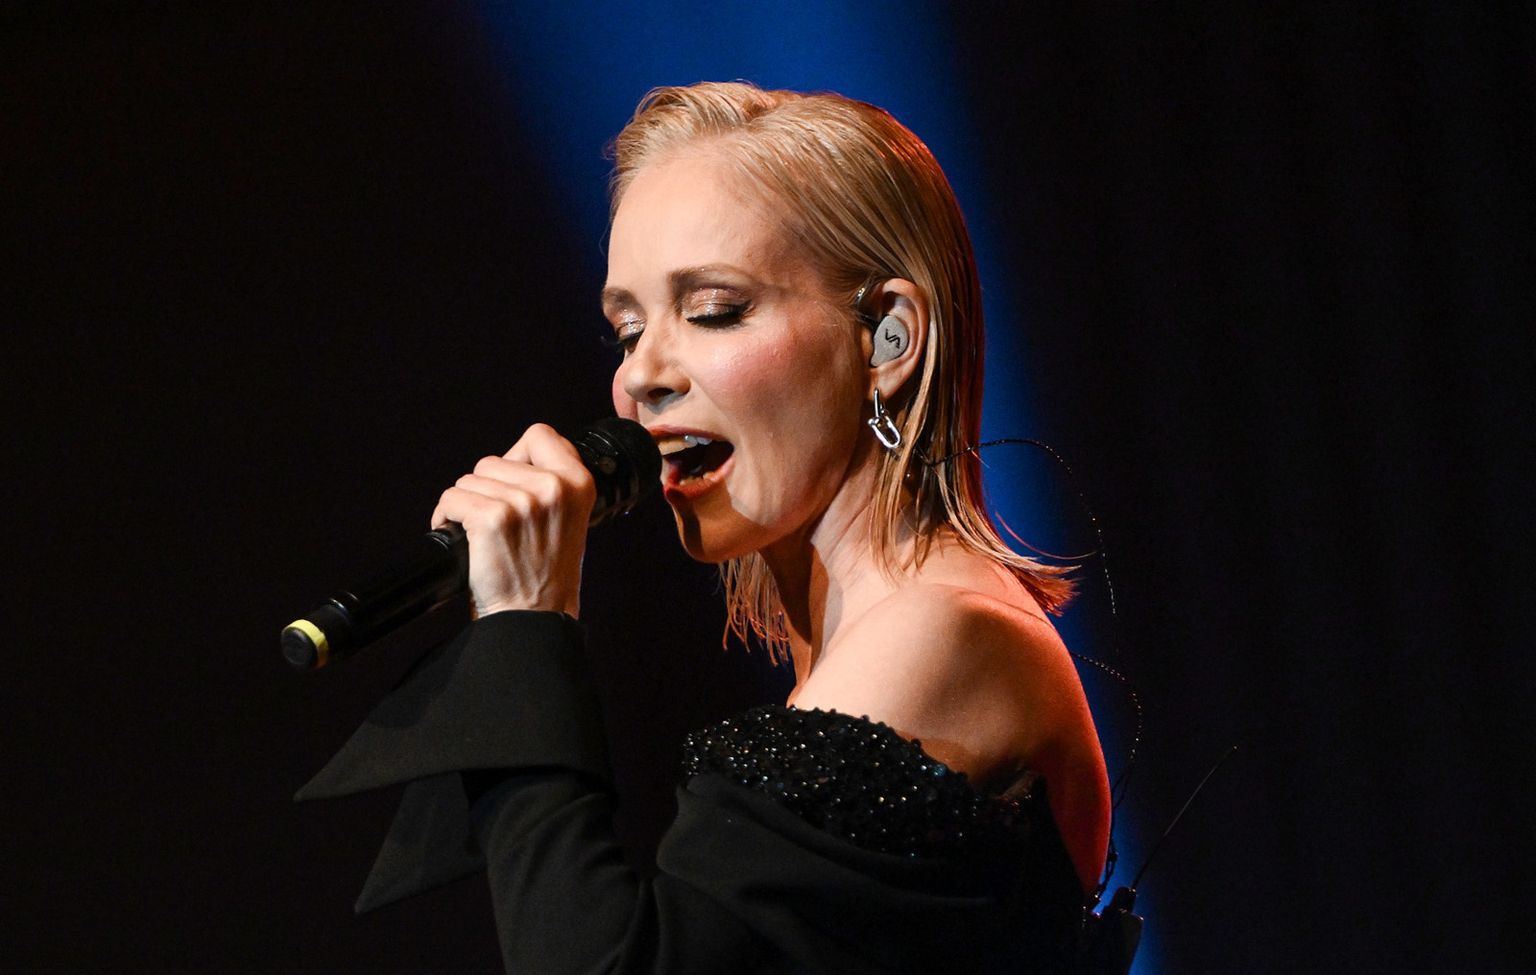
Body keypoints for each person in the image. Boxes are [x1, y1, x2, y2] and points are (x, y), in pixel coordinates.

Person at [299, 81, 1112, 973]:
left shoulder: (945, 633)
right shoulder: (872, 651)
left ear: (887, 337)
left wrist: (525, 625)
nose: (640, 375)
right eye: (626, 328)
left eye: (714, 310)